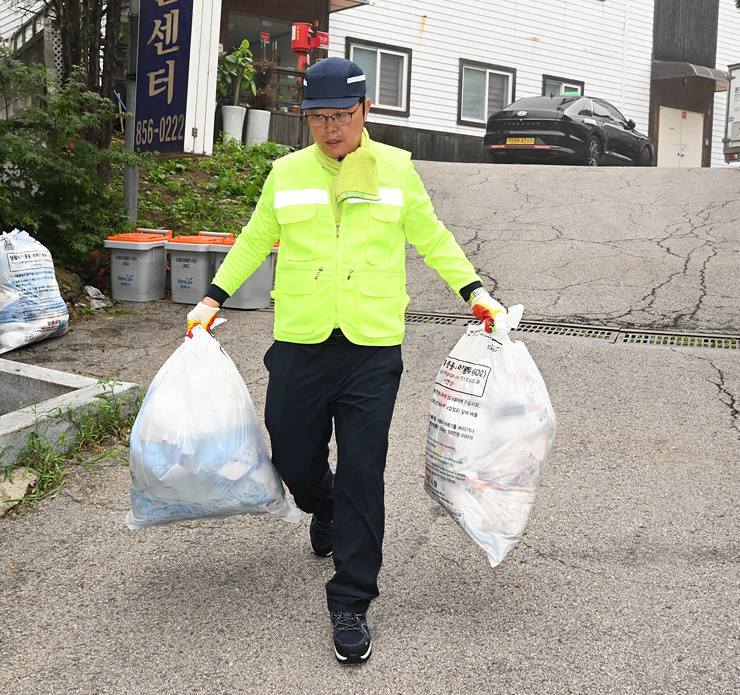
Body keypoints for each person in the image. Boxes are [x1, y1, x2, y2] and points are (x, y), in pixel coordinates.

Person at [186, 57, 505, 664]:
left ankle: (352, 599)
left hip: (371, 349)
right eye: (317, 117)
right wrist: (210, 299)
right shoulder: (286, 172)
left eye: (340, 116)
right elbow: (256, 237)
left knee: (364, 471)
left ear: (364, 113)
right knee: (293, 458)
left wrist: (475, 292)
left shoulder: (396, 171)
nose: (330, 129)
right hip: (302, 341)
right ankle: (321, 504)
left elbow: (432, 237)